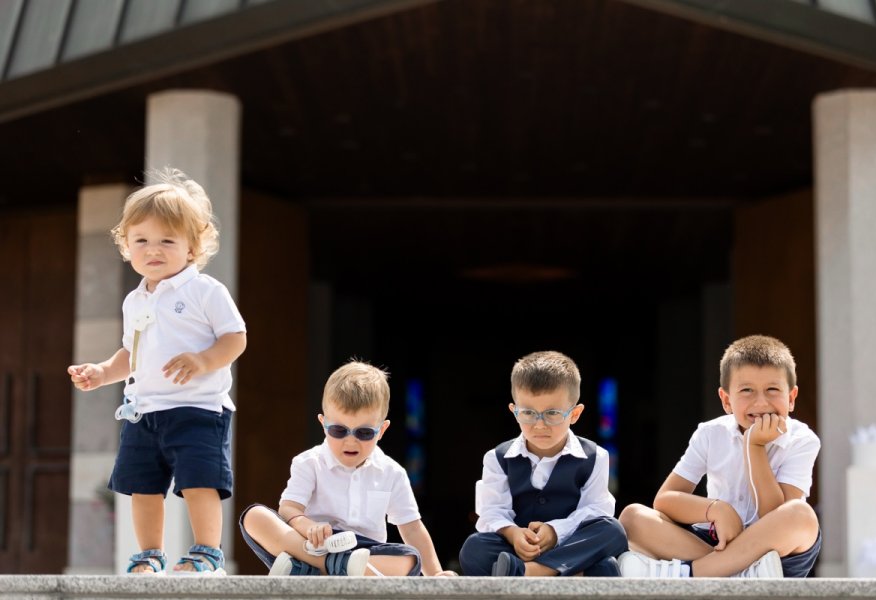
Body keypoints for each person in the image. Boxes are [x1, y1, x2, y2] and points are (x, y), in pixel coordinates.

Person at [68, 169, 247, 575]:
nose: (154, 250)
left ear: (192, 247)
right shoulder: (135, 300)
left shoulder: (204, 291)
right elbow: (130, 353)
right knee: (142, 487)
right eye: (142, 240)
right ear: (126, 246)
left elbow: (236, 338)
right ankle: (149, 554)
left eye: (167, 240)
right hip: (144, 411)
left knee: (199, 482)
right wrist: (100, 372)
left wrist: (203, 360)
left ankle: (205, 553)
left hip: (198, 408)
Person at [617, 335, 821, 578]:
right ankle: (740, 574)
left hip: (774, 552)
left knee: (801, 516)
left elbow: (774, 513)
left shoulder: (802, 440)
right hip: (716, 542)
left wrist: (754, 447)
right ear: (726, 400)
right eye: (746, 390)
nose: (761, 402)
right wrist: (716, 509)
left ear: (791, 398)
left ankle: (692, 575)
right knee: (632, 518)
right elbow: (665, 500)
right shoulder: (710, 433)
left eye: (772, 389)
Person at [239, 361, 456, 577]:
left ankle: (312, 570)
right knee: (254, 517)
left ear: (382, 430)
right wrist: (307, 526)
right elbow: (289, 509)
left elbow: (411, 529)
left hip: (363, 552)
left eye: (364, 433)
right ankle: (329, 564)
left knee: (410, 559)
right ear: (323, 424)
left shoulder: (392, 473)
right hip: (310, 544)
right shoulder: (309, 462)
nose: (350, 442)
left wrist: (435, 574)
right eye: (339, 430)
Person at [459, 350, 628, 577]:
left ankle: (531, 573)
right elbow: (491, 512)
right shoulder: (497, 457)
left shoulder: (596, 456)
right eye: (528, 413)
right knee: (474, 548)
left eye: (552, 413)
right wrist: (514, 534)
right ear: (514, 412)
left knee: (613, 530)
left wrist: (555, 531)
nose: (540, 425)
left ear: (575, 414)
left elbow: (597, 510)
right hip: (516, 552)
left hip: (569, 545)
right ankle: (566, 573)